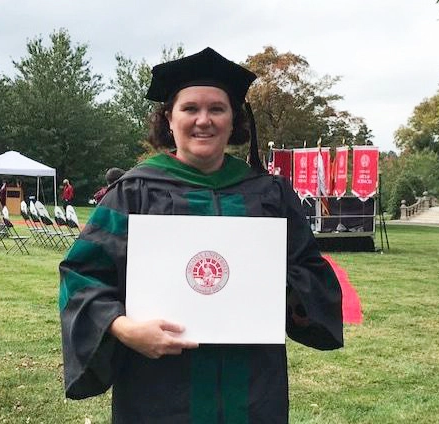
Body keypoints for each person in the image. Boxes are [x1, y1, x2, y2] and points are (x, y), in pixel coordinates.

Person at [59, 47, 343, 423]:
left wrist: (279, 285)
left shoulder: (270, 194)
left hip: (252, 388)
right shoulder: (134, 192)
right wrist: (124, 328)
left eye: (217, 109)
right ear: (169, 119)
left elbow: (311, 272)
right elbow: (81, 275)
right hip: (157, 386)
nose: (203, 120)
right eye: (190, 108)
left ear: (233, 120)